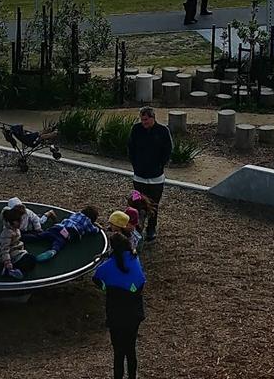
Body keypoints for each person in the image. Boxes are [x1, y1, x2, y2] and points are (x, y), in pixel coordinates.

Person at [93, 238, 146, 379]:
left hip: (115, 314)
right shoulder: (135, 259)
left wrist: (106, 288)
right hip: (134, 314)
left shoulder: (107, 266)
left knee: (118, 352)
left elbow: (96, 278)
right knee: (131, 350)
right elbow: (141, 283)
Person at [129, 107, 172, 243]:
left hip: (156, 177)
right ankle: (137, 227)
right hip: (139, 176)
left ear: (152, 118)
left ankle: (151, 228)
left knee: (154, 204)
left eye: (146, 120)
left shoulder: (163, 131)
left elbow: (168, 150)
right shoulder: (136, 129)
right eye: (142, 120)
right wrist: (135, 165)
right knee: (137, 202)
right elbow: (131, 147)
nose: (143, 122)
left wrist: (160, 165)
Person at [23, 205, 101, 261]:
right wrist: (98, 228)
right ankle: (53, 251)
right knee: (59, 242)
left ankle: (23, 237)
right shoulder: (88, 222)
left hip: (57, 227)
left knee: (40, 236)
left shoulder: (75, 214)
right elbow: (93, 230)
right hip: (69, 233)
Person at [0, 206, 37, 280]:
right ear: (12, 222)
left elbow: (18, 242)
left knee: (31, 260)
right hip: (11, 256)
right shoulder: (6, 233)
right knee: (29, 261)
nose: (21, 222)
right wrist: (7, 262)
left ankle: (17, 268)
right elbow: (4, 249)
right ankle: (9, 270)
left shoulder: (16, 229)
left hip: (17, 252)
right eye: (19, 221)